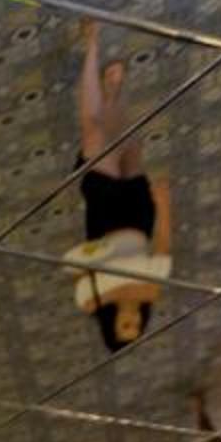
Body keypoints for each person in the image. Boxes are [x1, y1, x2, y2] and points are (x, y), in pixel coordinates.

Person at [67, 22, 169, 353]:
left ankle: (91, 44)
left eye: (126, 325)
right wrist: (164, 205)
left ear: (111, 325)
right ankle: (112, 92)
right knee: (128, 143)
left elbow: (74, 263)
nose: (133, 319)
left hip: (105, 215)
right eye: (138, 325)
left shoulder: (91, 300)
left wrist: (112, 271)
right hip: (140, 218)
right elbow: (164, 248)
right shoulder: (148, 293)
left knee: (95, 132)